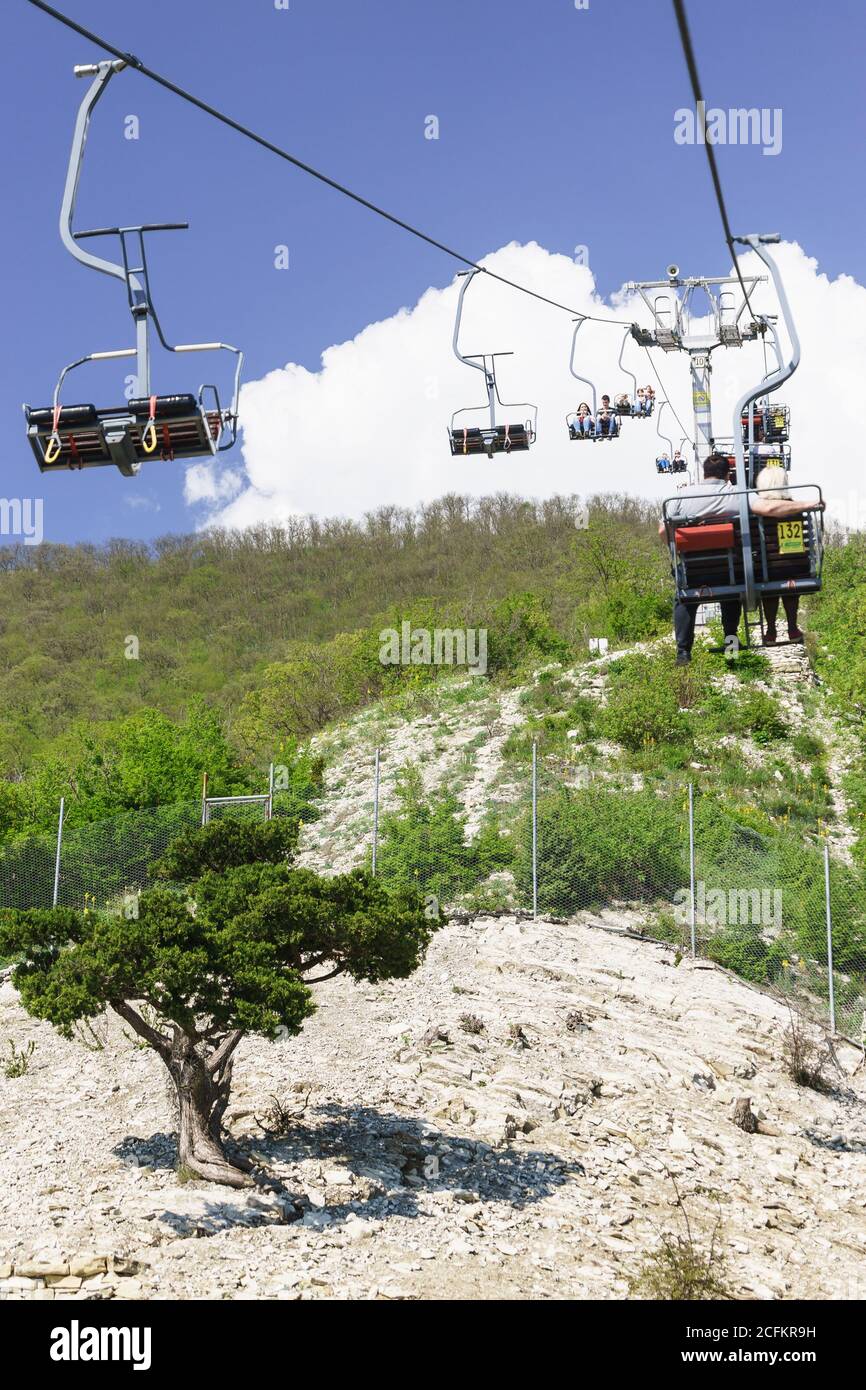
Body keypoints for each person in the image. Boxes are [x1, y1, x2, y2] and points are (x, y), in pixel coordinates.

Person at [659, 454, 744, 665]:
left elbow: (663, 529)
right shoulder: (735, 494)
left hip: (693, 568)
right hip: (728, 569)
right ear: (727, 475)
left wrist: (677, 549)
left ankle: (683, 653)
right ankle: (731, 643)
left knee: (684, 596)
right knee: (732, 592)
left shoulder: (681, 497)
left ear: (704, 474)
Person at [748, 464, 825, 644]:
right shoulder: (795, 508)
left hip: (765, 569)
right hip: (796, 567)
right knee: (787, 568)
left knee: (771, 577)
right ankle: (792, 628)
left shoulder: (754, 511)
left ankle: (771, 630)